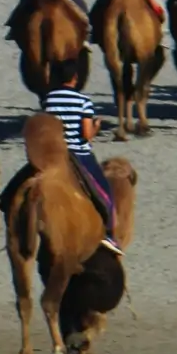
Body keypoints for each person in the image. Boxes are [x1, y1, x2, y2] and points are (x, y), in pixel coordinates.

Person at [40, 79, 123, 254]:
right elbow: (86, 135)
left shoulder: (49, 99)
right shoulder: (83, 101)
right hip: (79, 154)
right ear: (76, 78)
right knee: (104, 191)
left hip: (54, 153)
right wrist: (96, 127)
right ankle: (109, 233)